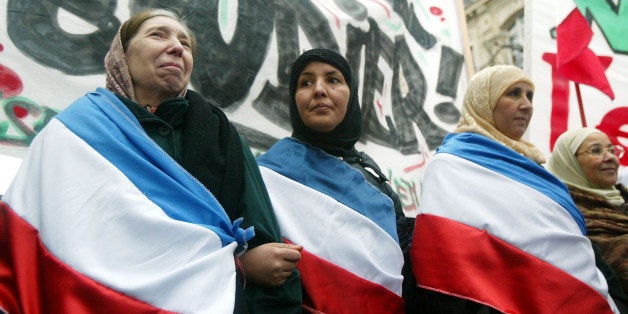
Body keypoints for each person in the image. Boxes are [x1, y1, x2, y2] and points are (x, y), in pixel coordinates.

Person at [0, 8, 301, 313]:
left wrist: (244, 264)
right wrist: (235, 263)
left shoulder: (221, 136)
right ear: (121, 55)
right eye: (158, 34)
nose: (176, 47)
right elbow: (30, 238)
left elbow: (264, 243)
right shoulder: (73, 134)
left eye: (185, 43)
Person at [408, 65, 622, 313]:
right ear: (483, 100)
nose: (527, 105)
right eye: (513, 93)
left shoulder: (535, 168)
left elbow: (576, 249)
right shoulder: (452, 165)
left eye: (529, 96)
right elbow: (444, 256)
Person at [256, 48, 406, 313]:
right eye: (306, 82)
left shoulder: (377, 184)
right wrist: (246, 262)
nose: (319, 90)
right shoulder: (266, 173)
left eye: (333, 80)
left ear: (352, 94)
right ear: (295, 98)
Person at [548, 127, 628, 294]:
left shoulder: (623, 197)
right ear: (569, 162)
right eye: (596, 151)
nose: (610, 157)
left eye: (612, 150)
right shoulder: (564, 211)